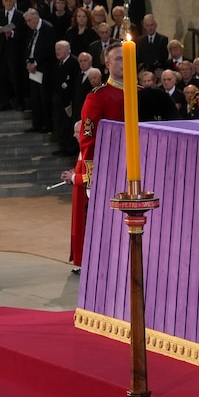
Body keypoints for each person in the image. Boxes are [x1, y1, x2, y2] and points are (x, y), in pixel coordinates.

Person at [60, 42, 125, 268]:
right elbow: (88, 140)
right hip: (110, 169)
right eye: (118, 58)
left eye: (126, 58)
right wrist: (91, 176)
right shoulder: (98, 96)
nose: (123, 62)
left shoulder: (141, 94)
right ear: (107, 64)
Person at [23, 8, 58, 134]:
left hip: (43, 68)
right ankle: (36, 124)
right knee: (35, 97)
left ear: (36, 18)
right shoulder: (32, 30)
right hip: (33, 69)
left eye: (29, 21)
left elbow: (49, 50)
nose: (27, 23)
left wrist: (36, 63)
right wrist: (28, 62)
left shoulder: (47, 28)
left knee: (44, 97)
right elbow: (28, 46)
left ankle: (47, 124)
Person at [50, 40, 80, 157]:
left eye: (59, 49)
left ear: (67, 50)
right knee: (60, 123)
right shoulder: (58, 63)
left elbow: (74, 83)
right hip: (58, 99)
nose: (57, 52)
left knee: (67, 124)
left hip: (69, 100)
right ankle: (62, 146)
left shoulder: (73, 62)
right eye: (56, 49)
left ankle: (69, 147)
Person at [0, 0, 26, 111]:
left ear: (14, 2)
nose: (8, 3)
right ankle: (5, 102)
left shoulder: (20, 16)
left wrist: (12, 34)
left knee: (15, 77)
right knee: (3, 76)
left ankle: (19, 102)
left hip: (15, 51)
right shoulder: (0, 14)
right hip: (2, 50)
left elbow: (24, 34)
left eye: (10, 1)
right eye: (6, 1)